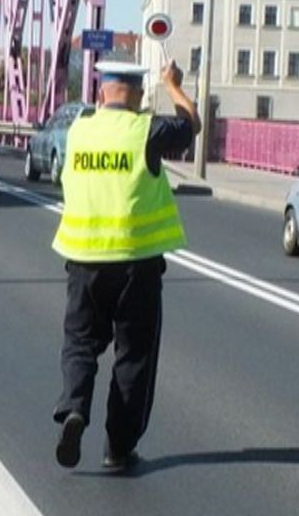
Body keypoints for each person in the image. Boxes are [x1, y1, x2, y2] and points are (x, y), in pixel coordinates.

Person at [52, 60, 201, 471]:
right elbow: (192, 124)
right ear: (137, 96)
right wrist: (172, 86)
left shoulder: (78, 130)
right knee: (132, 356)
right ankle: (117, 449)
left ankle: (74, 408)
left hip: (83, 259)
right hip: (136, 263)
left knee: (80, 342)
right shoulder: (145, 131)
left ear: (101, 93)